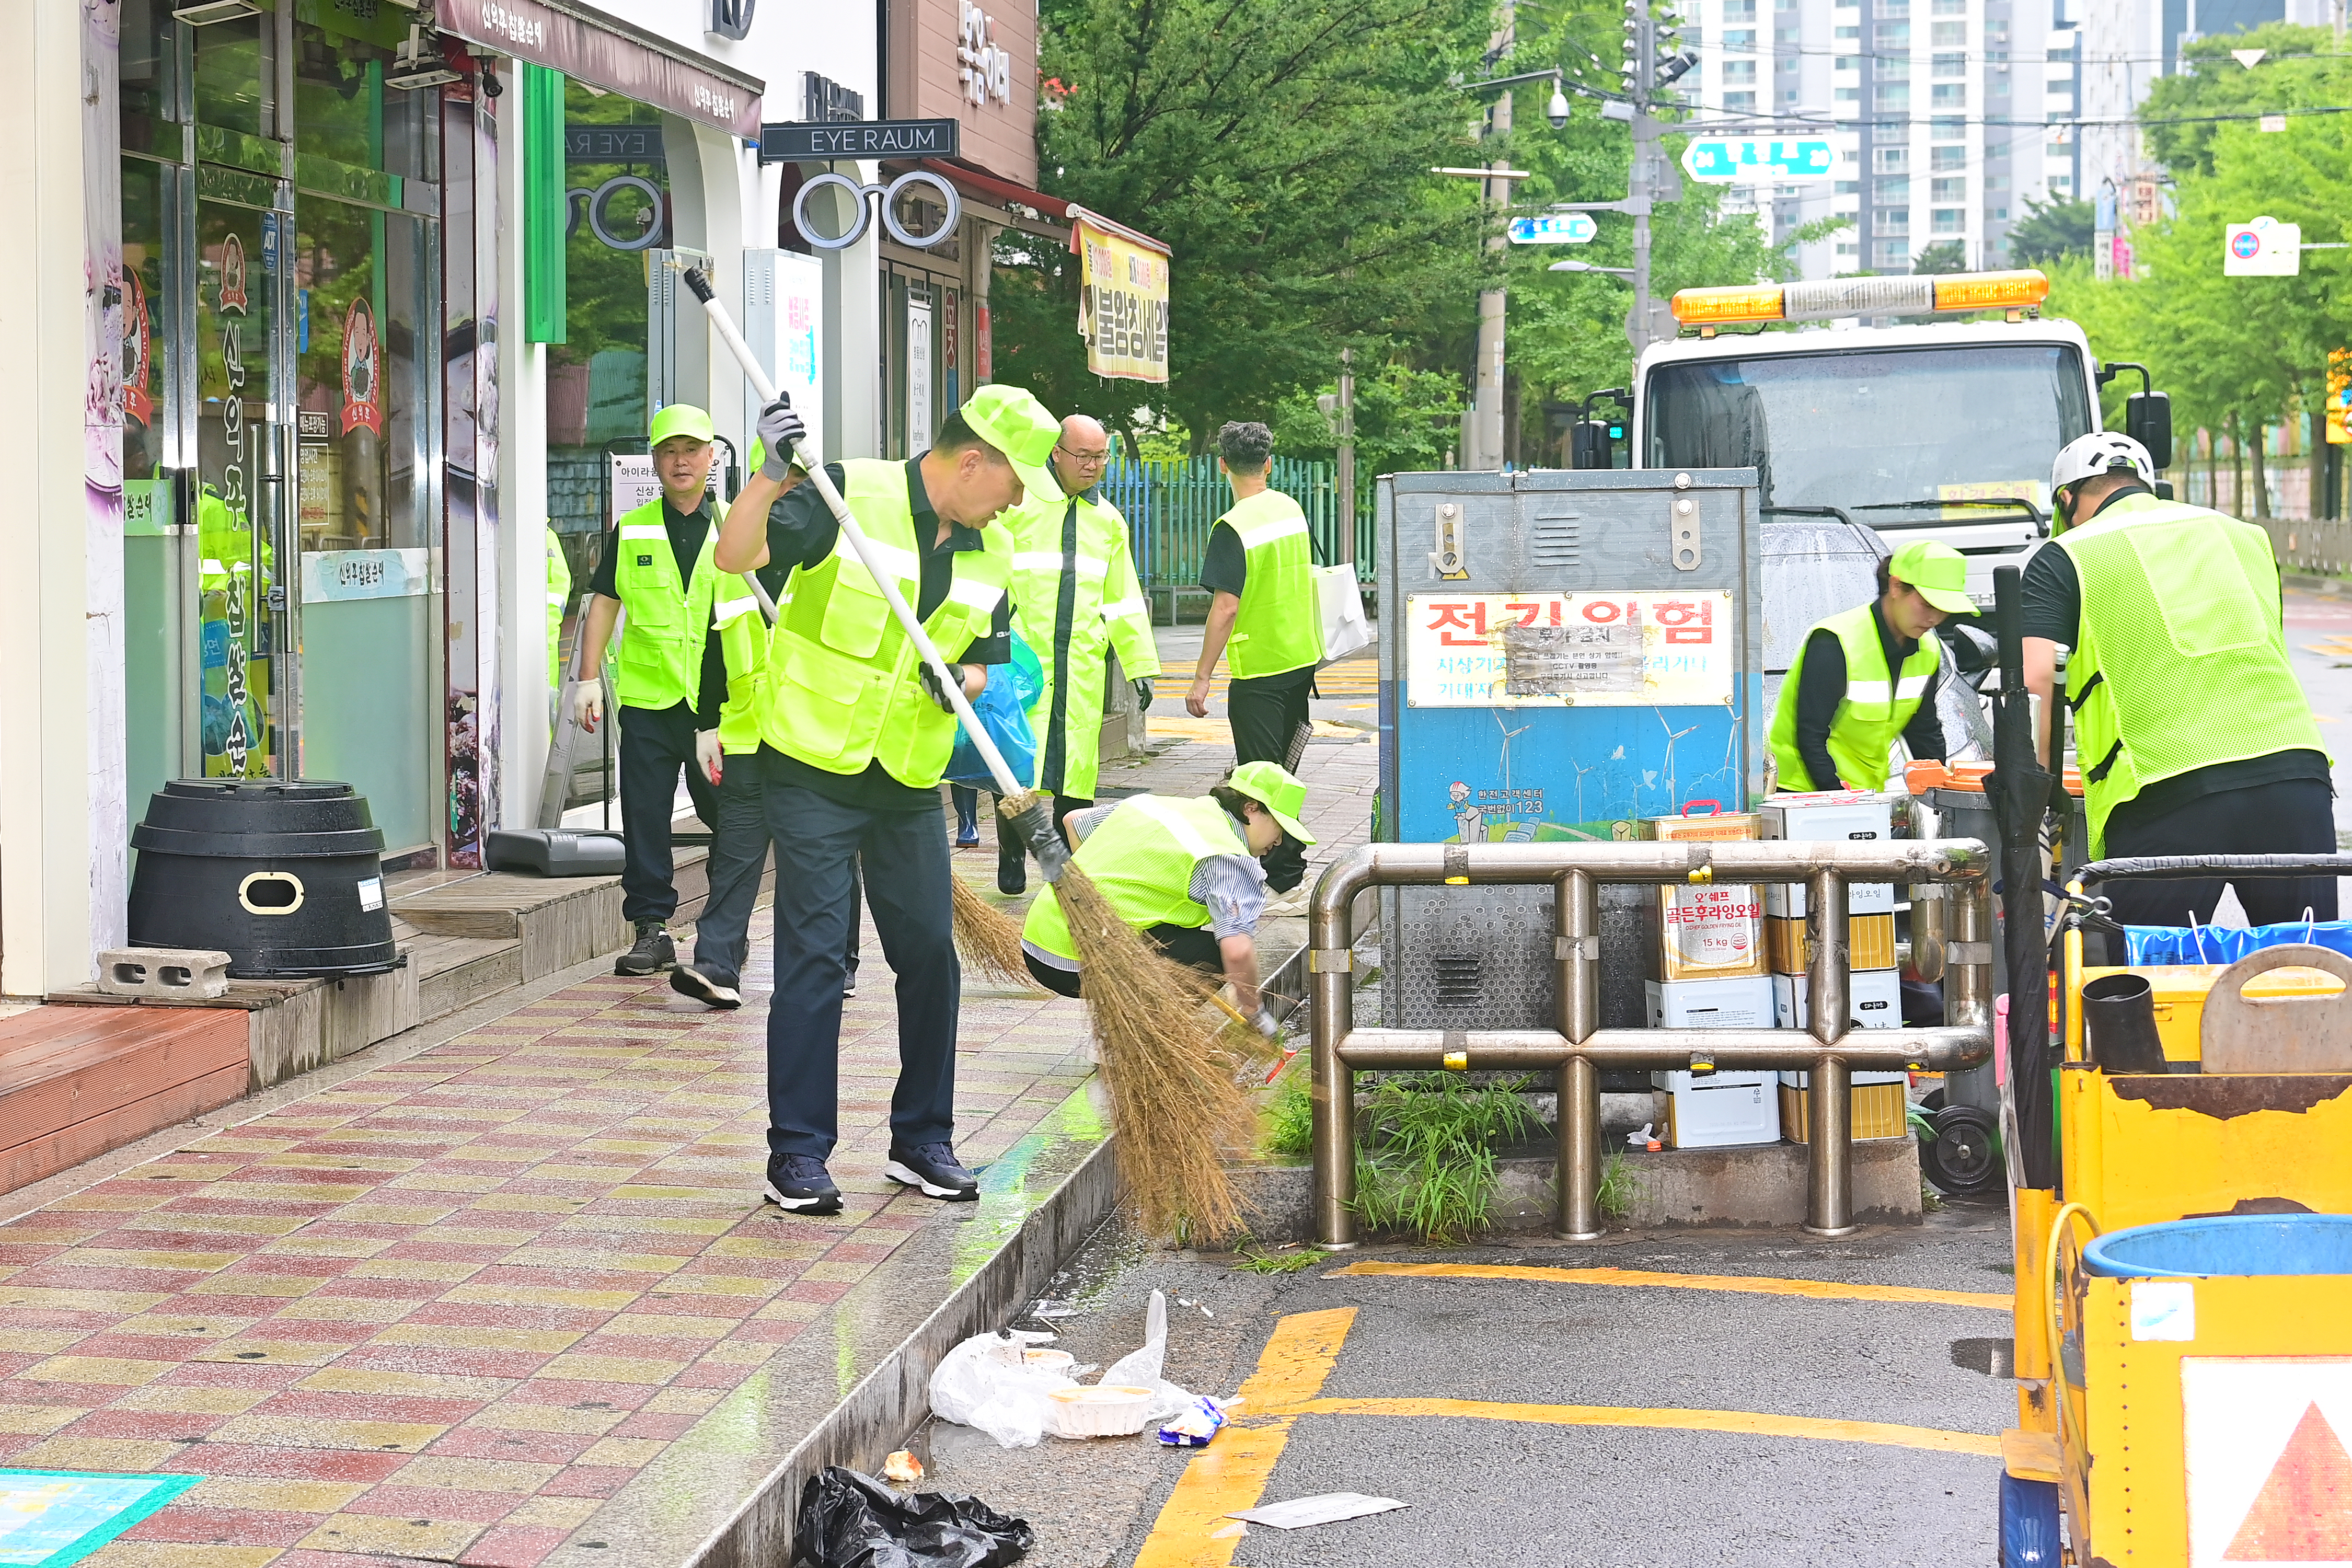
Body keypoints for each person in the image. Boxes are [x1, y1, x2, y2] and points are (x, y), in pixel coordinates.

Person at [717, 384, 1059, 1216]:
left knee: (930, 961)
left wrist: (962, 682)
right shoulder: (847, 494)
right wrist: (766, 478)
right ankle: (796, 1155)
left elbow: (985, 657)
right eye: (1015, 484)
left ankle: (922, 1140)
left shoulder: (995, 551)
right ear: (972, 460)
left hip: (907, 777)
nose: (1017, 503)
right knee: (815, 958)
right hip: (810, 765)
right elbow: (736, 558)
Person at [2024, 431, 2334, 928]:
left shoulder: (2067, 555)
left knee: (2154, 979)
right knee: (2304, 973)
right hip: (2293, 775)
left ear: (2067, 499)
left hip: (2165, 786)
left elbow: (2035, 683)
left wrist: (2033, 796)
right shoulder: (2245, 536)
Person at [575, 405, 727, 975]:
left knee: (730, 819)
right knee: (644, 820)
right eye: (669, 451)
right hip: (648, 704)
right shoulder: (633, 529)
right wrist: (589, 678)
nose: (680, 461)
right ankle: (651, 929)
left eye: (691, 450)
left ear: (711, 457)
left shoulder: (736, 528)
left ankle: (722, 928)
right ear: (656, 462)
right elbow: (605, 604)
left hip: (719, 709)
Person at [992, 414, 1162, 896]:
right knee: (1015, 763)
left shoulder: (1108, 521)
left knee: (1076, 770)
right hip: (1024, 661)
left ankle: (1062, 868)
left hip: (1081, 663)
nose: (1093, 466)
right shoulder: (1020, 505)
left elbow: (1123, 598)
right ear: (1057, 454)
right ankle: (1011, 852)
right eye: (1084, 456)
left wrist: (1140, 666)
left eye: (1101, 456)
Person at [1019, 761, 1313, 1034]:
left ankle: (1116, 1022)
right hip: (1080, 964)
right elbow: (1237, 952)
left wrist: (1097, 897)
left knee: (1180, 931)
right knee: (1214, 957)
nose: (1279, 841)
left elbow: (1075, 821)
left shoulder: (1155, 805)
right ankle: (1135, 1035)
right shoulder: (1229, 859)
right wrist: (1254, 1011)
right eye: (1280, 828)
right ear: (1251, 809)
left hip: (1038, 940)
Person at [1186, 421, 1321, 893]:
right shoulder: (1290, 508)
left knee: (1260, 780)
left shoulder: (1232, 527)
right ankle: (1289, 868)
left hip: (1259, 666)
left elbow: (1226, 607)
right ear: (1268, 464)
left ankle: (1278, 875)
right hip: (1300, 658)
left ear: (1223, 466)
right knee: (1283, 769)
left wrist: (1202, 677)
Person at [1768, 539, 1975, 792]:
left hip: (1863, 793)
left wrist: (1937, 792)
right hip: (1801, 791)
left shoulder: (1928, 649)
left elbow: (1923, 732)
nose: (1934, 619)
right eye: (1928, 605)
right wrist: (1839, 797)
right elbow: (1810, 734)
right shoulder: (1835, 641)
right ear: (1896, 586)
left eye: (1945, 610)